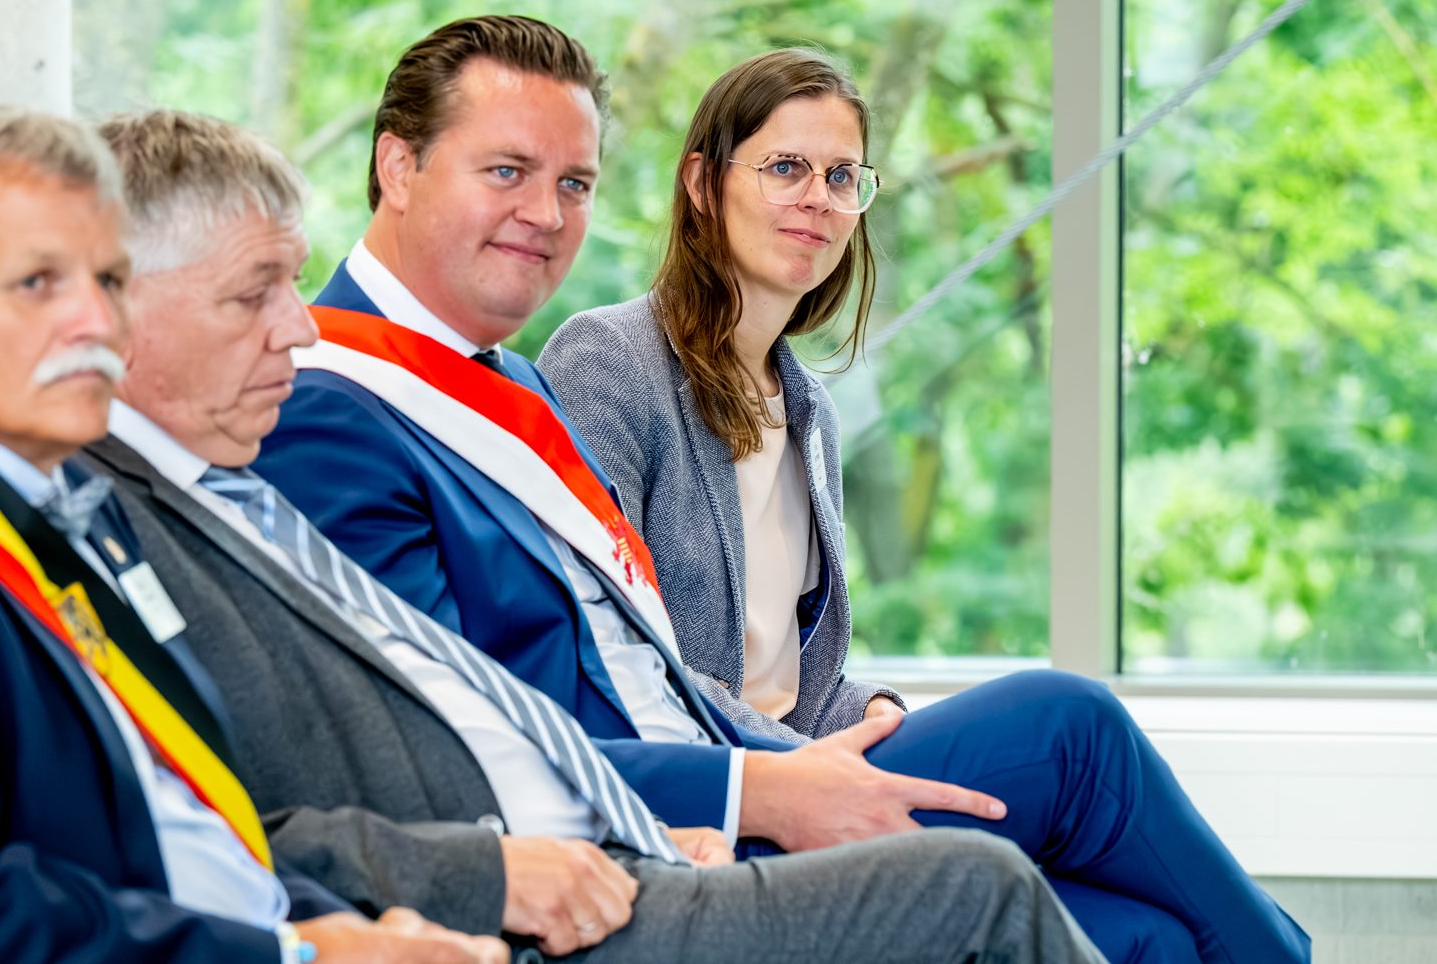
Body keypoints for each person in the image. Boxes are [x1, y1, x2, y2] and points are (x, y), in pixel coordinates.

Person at [252, 15, 1309, 964]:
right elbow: (443, 749)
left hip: (722, 778)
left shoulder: (518, 385)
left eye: (574, 184)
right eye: (506, 171)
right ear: (398, 166)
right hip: (652, 836)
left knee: (1152, 937)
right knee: (1067, 725)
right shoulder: (341, 402)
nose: (547, 213)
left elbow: (687, 663)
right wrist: (767, 782)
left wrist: (839, 733)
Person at [79, 107, 1107, 964]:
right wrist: (511, 865)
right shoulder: (287, 442)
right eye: (507, 170)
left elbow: (520, 693)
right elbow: (228, 819)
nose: (297, 325)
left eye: (576, 182)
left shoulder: (250, 482)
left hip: (637, 814)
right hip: (547, 876)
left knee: (1114, 896)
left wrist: (660, 807)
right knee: (1016, 818)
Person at [0, 105, 506, 964]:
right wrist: (299, 955)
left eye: (108, 281)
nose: (96, 323)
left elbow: (196, 825)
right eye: (38, 282)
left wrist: (355, 932)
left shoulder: (64, 500)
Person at [540, 48, 893, 744]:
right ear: (702, 184)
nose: (819, 198)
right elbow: (612, 653)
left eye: (841, 175)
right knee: (1066, 719)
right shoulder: (606, 361)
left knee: (1053, 739)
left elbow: (790, 685)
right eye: (785, 168)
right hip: (700, 782)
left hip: (796, 767)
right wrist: (807, 766)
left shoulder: (811, 414)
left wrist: (875, 713)